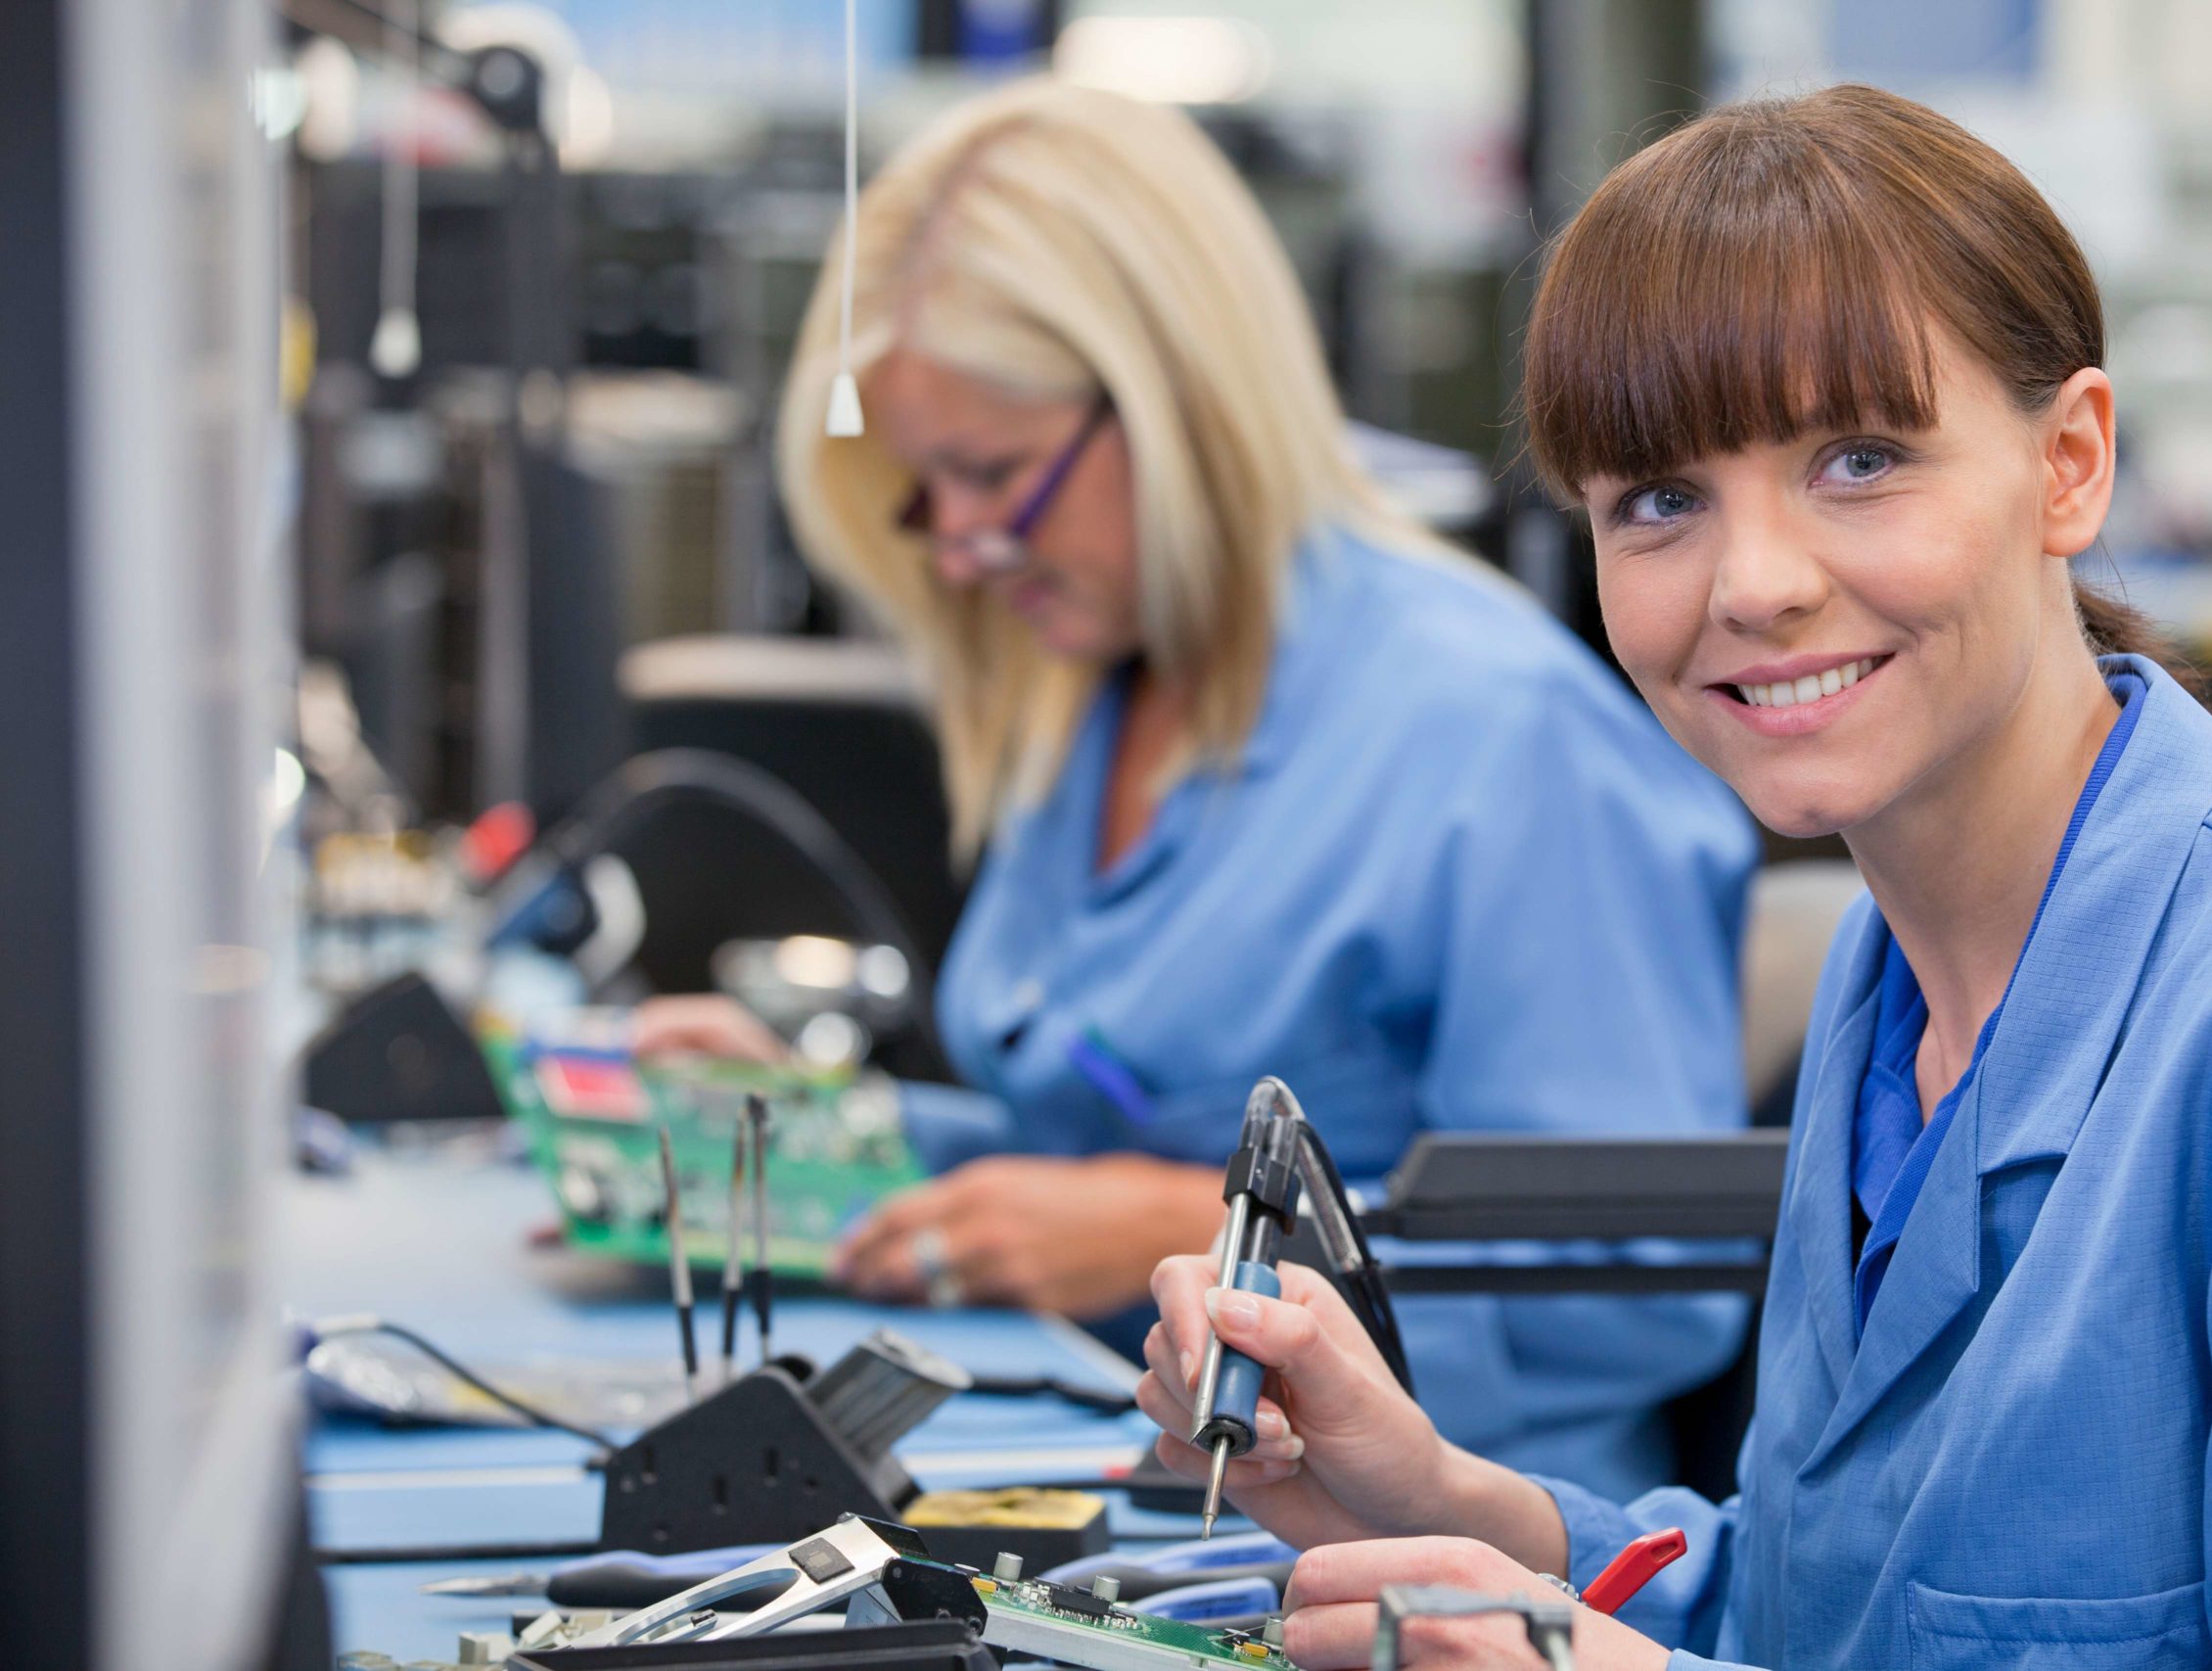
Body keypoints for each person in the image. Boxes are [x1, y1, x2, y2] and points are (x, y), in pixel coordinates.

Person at [1129, 84, 2212, 1671]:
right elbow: (1841, 1610)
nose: (1757, 584)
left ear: (2070, 463)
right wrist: (1439, 1495)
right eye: (1659, 501)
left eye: (1859, 460)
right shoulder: (1893, 980)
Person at [642, 77, 1759, 1499]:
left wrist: (1199, 1239)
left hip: (1436, 1555)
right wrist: (819, 1143)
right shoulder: (1101, 688)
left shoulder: (1501, 739)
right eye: (932, 500)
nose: (969, 551)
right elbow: (1074, 1150)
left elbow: (1639, 1291)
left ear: (1175, 402)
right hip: (1136, 1477)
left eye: (996, 476)